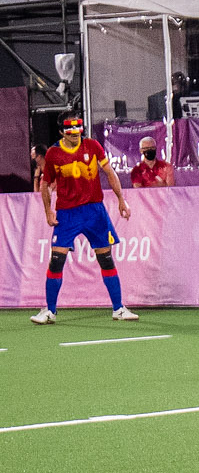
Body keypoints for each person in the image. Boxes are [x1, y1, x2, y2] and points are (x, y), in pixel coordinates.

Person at [30, 117, 139, 325]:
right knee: (56, 261)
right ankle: (50, 311)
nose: (76, 133)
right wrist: (48, 211)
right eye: (70, 131)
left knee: (106, 258)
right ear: (62, 133)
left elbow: (109, 172)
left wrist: (121, 200)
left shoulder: (92, 146)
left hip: (94, 211)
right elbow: (45, 184)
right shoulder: (54, 153)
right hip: (67, 214)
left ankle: (118, 308)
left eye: (78, 129)